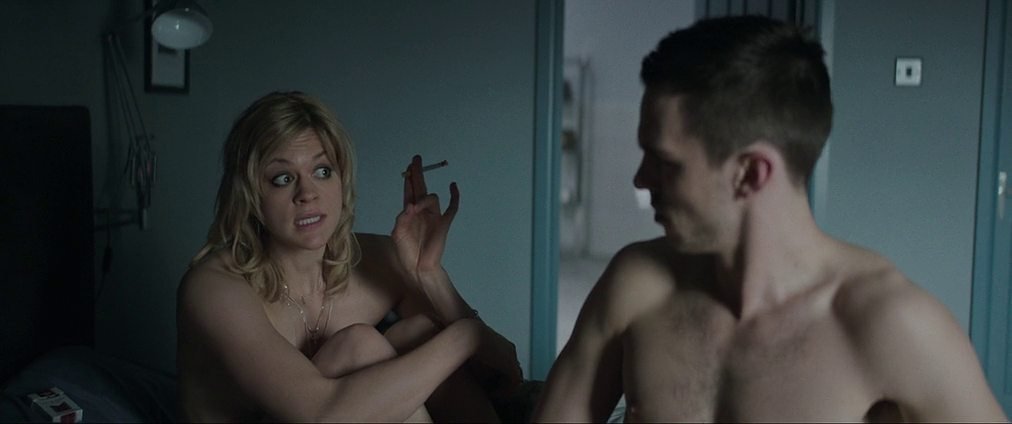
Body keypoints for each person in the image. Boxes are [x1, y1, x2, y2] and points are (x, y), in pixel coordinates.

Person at [534, 15, 1007, 422]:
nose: (641, 179)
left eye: (665, 163)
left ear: (750, 174)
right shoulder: (635, 286)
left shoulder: (891, 324)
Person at [176, 91, 522, 422]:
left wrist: (430, 276)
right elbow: (320, 415)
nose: (307, 193)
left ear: (342, 181)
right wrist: (465, 336)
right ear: (250, 195)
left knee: (420, 334)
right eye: (282, 178)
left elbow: (503, 376)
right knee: (360, 346)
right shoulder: (214, 287)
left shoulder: (373, 259)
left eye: (322, 171)